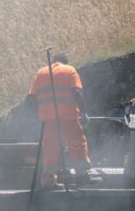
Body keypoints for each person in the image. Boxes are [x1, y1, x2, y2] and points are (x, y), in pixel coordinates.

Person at [26, 53, 98, 189]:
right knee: (77, 144)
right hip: (68, 116)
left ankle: (48, 181)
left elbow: (30, 98)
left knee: (51, 148)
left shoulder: (41, 73)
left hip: (48, 119)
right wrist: (83, 112)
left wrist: (36, 116)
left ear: (53, 61)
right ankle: (82, 177)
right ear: (65, 61)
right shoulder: (70, 70)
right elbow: (76, 92)